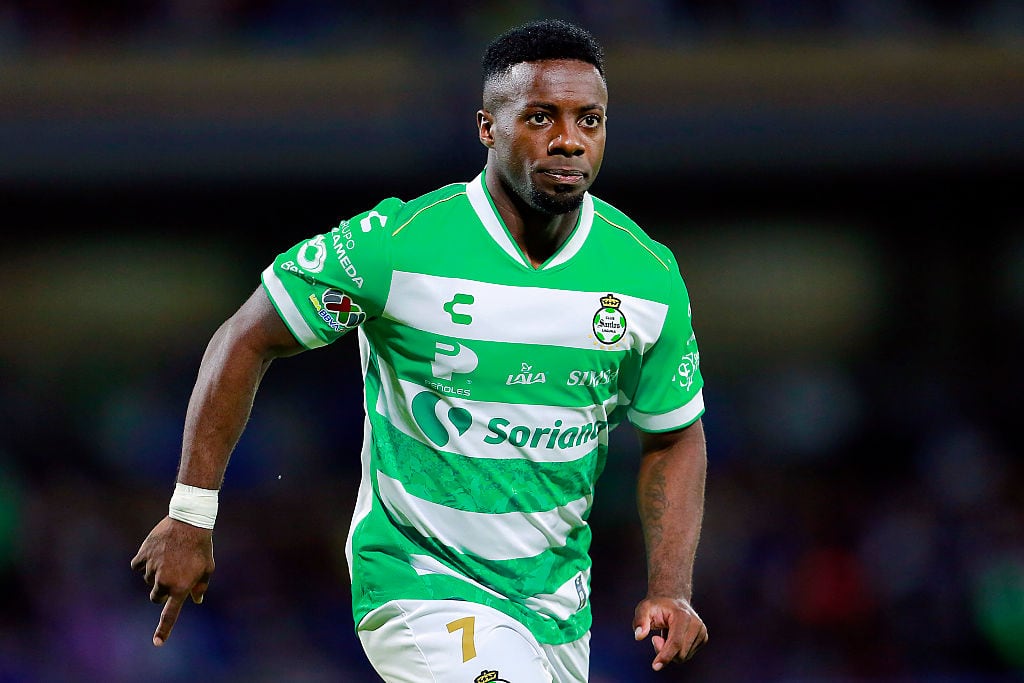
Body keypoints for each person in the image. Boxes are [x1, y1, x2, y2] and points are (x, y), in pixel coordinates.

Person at [132, 18, 708, 682]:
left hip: (555, 609)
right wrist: (190, 513)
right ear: (488, 128)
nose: (569, 140)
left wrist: (672, 585)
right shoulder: (397, 246)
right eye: (541, 117)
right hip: (420, 584)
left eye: (590, 120)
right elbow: (246, 336)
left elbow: (673, 434)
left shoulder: (646, 276)